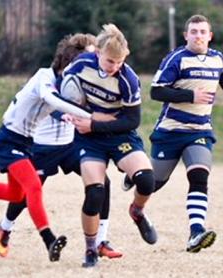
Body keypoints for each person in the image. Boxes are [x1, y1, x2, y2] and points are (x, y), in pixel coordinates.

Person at [0, 35, 97, 262]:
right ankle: (49, 240)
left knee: (16, 194)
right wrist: (93, 118)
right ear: (67, 64)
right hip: (8, 140)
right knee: (33, 187)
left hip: (26, 141)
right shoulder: (43, 77)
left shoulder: (64, 85)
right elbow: (54, 101)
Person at [0, 33, 122, 260]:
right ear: (72, 61)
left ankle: (100, 241)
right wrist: (88, 117)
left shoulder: (87, 79)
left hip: (70, 145)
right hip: (42, 147)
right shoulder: (50, 79)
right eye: (88, 58)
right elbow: (57, 106)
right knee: (24, 195)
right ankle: (5, 227)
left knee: (102, 183)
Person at [122, 14, 223, 253]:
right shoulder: (176, 59)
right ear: (186, 35)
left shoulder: (217, 58)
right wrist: (191, 96)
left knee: (199, 175)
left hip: (199, 131)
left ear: (210, 36)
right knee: (152, 184)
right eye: (194, 32)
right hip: (170, 132)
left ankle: (196, 232)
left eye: (202, 32)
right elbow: (156, 92)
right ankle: (136, 204)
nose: (198, 36)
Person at [60, 23, 157, 268]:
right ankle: (91, 249)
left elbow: (132, 120)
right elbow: (65, 89)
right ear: (98, 53)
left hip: (119, 135)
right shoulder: (82, 65)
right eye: (110, 61)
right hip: (89, 140)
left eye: (119, 62)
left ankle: (137, 211)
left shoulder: (128, 80)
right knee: (95, 193)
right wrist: (74, 110)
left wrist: (94, 122)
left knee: (146, 181)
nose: (115, 67)